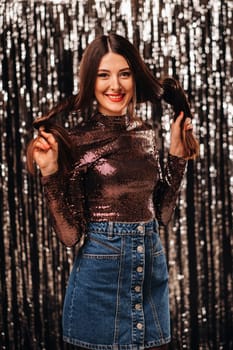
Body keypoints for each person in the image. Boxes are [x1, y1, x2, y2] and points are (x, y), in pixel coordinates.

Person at [27, 33, 199, 350]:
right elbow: (69, 236)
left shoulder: (146, 133)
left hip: (150, 279)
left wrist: (177, 156)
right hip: (98, 285)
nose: (115, 86)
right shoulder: (76, 140)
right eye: (103, 75)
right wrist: (50, 172)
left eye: (124, 73)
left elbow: (162, 213)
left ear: (135, 77)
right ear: (91, 81)